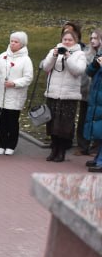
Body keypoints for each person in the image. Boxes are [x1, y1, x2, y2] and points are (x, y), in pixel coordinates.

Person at [39, 23, 89, 163]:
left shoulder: (80, 54)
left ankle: (61, 151)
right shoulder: (54, 50)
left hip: (69, 96)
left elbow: (77, 71)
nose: (66, 42)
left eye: (70, 40)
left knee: (64, 125)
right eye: (65, 39)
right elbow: (46, 67)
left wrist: (68, 57)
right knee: (53, 123)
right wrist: (54, 56)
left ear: (76, 41)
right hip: (53, 93)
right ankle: (54, 149)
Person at [0, 32, 34, 156]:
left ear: (22, 44)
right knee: (2, 122)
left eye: (16, 42)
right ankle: (2, 144)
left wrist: (14, 83)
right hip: (1, 95)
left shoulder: (26, 60)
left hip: (15, 96)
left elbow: (28, 78)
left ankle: (11, 145)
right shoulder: (2, 56)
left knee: (12, 122)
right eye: (11, 41)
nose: (13, 43)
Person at [86, 45, 102, 172]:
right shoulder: (100, 53)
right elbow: (89, 72)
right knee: (99, 131)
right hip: (97, 98)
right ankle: (98, 158)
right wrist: (95, 64)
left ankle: (100, 161)